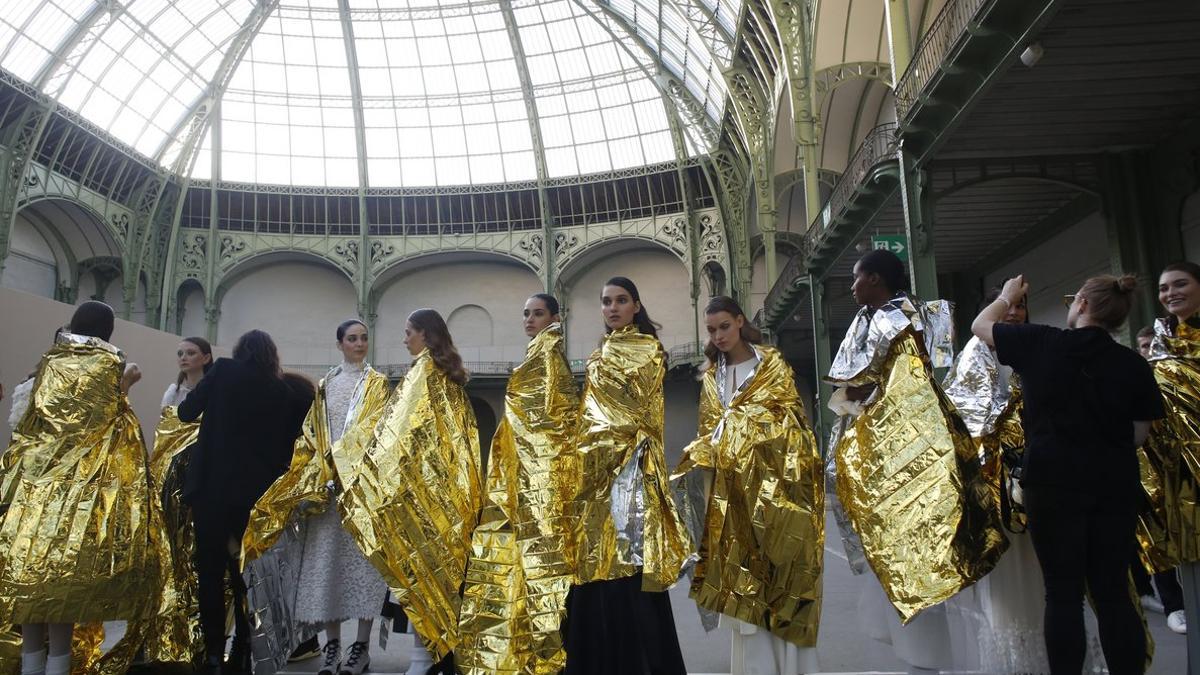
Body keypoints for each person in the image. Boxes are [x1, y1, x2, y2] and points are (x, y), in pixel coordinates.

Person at [972, 273, 1164, 674]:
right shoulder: (1132, 363)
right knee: (1112, 593)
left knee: (1062, 594)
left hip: (1053, 482)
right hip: (1113, 483)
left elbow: (981, 327)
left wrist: (1007, 297)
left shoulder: (1043, 343)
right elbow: (1139, 435)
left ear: (1080, 305)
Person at [825, 250, 1005, 675]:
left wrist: (859, 401)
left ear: (874, 279)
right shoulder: (921, 314)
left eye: (856, 278)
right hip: (925, 431)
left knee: (914, 544)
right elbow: (933, 367)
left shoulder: (885, 320)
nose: (851, 287)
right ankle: (931, 652)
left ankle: (929, 654)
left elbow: (856, 380)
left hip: (901, 437)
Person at [0, 301, 154, 675]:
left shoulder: (51, 362)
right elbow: (115, 429)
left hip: (34, 492)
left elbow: (27, 427)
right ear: (109, 330)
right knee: (61, 598)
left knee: (30, 595)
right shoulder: (111, 363)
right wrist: (127, 385)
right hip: (77, 498)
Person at [672, 296, 823, 675]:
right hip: (732, 493)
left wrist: (740, 427)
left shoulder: (771, 365)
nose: (718, 335)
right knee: (744, 582)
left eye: (724, 326)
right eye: (711, 330)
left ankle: (791, 667)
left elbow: (793, 424)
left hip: (777, 492)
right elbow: (709, 431)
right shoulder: (711, 378)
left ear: (740, 322)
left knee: (782, 578)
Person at [241, 320, 392, 675]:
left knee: (365, 567)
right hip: (328, 493)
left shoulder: (378, 384)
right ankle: (332, 646)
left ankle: (362, 647)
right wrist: (314, 478)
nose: (359, 343)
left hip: (361, 490)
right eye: (352, 339)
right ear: (339, 343)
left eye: (364, 338)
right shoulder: (326, 385)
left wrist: (357, 475)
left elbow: (381, 432)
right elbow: (312, 436)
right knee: (327, 569)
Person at [338, 309, 481, 675]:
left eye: (407, 332)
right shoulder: (447, 375)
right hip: (449, 498)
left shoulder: (423, 373)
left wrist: (362, 476)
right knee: (443, 579)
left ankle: (424, 660)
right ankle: (437, 658)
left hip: (420, 498)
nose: (404, 340)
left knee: (421, 577)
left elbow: (395, 439)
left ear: (424, 335)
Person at [561, 276, 691, 675]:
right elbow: (590, 413)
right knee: (594, 569)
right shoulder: (601, 352)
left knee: (627, 571)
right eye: (606, 302)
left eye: (621, 300)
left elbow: (632, 417)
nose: (613, 307)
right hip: (594, 479)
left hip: (629, 474)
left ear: (636, 305)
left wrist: (591, 452)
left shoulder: (647, 350)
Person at [179, 329, 315, 675]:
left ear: (240, 352)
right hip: (254, 496)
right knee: (248, 575)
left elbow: (186, 412)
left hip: (211, 489)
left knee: (209, 572)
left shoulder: (223, 371)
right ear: (273, 356)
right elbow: (286, 448)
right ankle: (243, 646)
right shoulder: (283, 392)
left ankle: (212, 653)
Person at [457, 294, 580, 673]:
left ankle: (542, 652)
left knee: (539, 568)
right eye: (526, 313)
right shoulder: (540, 356)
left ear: (554, 318)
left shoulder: (547, 358)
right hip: (525, 479)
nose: (529, 319)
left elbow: (553, 425)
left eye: (537, 313)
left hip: (537, 485)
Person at [1139, 261, 1200, 671]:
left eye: (1180, 284)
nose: (1170, 293)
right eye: (1163, 288)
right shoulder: (1160, 338)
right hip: (1177, 473)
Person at [1132, 324, 1187, 635]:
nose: (1148, 350)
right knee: (1157, 533)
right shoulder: (1140, 377)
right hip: (1149, 469)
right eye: (1143, 346)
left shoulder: (1179, 376)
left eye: (1152, 344)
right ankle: (1173, 604)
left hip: (1181, 467)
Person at [162, 337, 213, 408]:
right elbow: (165, 419)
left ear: (206, 358)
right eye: (180, 353)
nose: (183, 358)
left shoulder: (216, 393)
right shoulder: (173, 393)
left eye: (191, 353)